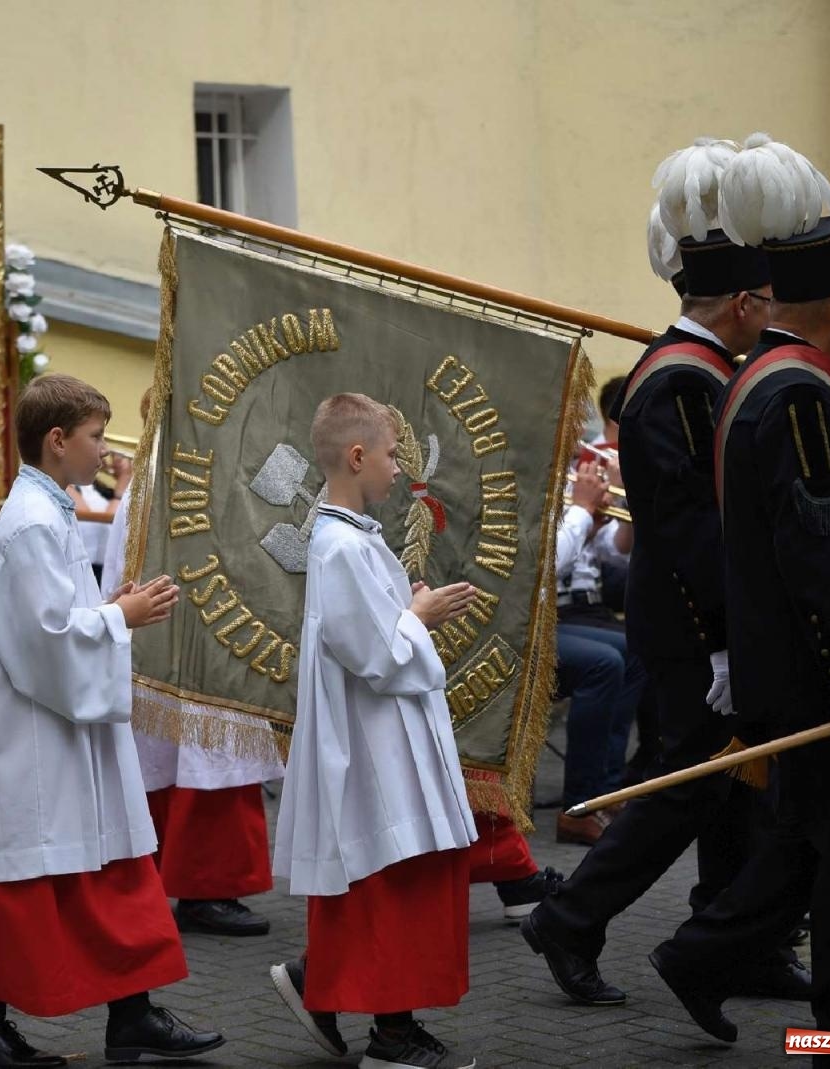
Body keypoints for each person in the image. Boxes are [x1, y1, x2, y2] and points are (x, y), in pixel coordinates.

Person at [647, 137, 830, 1068]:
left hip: (799, 673)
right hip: (826, 682)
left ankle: (696, 955)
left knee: (811, 848)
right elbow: (819, 555)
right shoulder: (801, 396)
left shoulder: (770, 381)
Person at [524, 215, 809, 1010]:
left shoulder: (698, 366)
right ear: (742, 302)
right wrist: (724, 641)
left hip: (700, 617)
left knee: (731, 781)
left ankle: (733, 940)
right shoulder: (684, 377)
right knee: (686, 784)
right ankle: (571, 917)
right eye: (766, 298)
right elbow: (695, 526)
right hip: (692, 621)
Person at [0, 373, 223, 1069]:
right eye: (96, 437)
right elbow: (42, 640)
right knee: (38, 889)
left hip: (64, 730)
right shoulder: (33, 521)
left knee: (112, 870)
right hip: (38, 737)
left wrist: (110, 611)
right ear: (57, 439)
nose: (106, 451)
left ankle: (131, 1014)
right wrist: (116, 618)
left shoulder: (49, 511)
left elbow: (55, 618)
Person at [269, 392, 479, 1069]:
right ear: (356, 456)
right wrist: (419, 614)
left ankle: (322, 980)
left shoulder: (352, 535)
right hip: (373, 742)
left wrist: (406, 608)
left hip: (384, 732)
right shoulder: (337, 546)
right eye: (392, 454)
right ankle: (392, 1035)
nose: (399, 469)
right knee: (394, 880)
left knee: (394, 877)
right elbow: (375, 654)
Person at [101, 391, 285, 938]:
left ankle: (203, 882)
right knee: (192, 761)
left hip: (208, 635)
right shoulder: (161, 480)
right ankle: (204, 889)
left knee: (204, 763)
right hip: (181, 640)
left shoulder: (199, 473)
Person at [551, 459, 643, 844]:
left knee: (635, 651)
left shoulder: (565, 481)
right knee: (603, 664)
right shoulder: (521, 481)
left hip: (577, 612)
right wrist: (582, 511)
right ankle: (578, 805)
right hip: (536, 620)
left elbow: (614, 552)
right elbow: (548, 562)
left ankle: (606, 790)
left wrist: (618, 504)